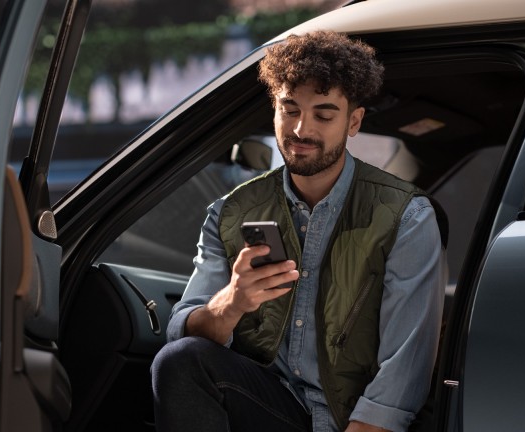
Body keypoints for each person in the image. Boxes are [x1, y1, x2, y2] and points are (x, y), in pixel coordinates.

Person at [151, 30, 448, 432]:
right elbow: (180, 329)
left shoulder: (406, 217)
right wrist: (232, 302)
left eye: (323, 115)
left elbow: (404, 372)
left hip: (350, 420)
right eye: (289, 109)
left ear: (354, 121)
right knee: (181, 359)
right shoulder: (231, 212)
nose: (301, 130)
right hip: (270, 406)